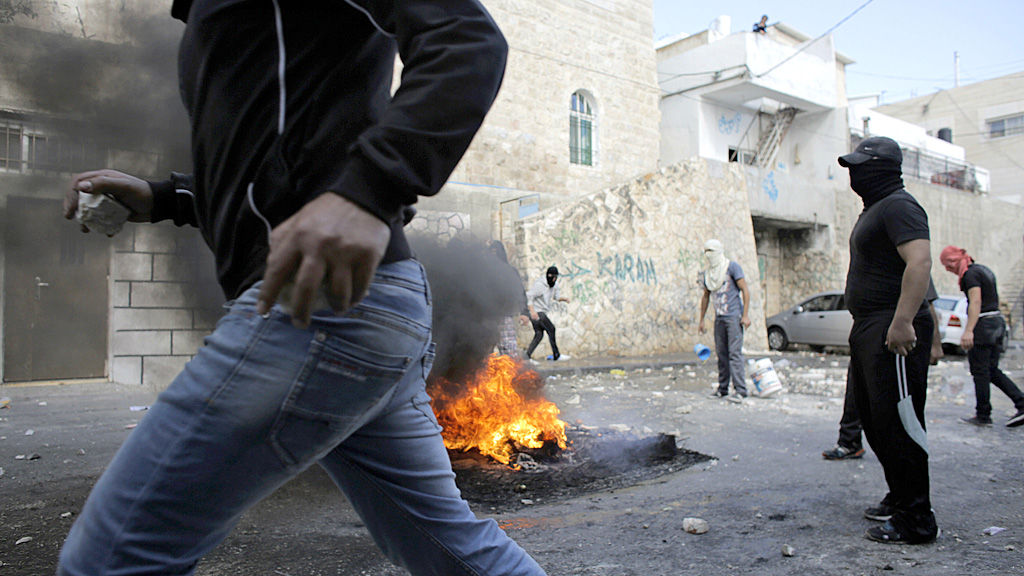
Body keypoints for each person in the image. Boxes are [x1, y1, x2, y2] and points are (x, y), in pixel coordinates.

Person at [57, 2, 547, 575]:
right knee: (449, 550)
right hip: (356, 315)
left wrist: (370, 189)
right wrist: (169, 197)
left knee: (109, 560)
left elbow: (467, 40)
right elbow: (275, 159)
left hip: (318, 314)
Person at [838, 135, 938, 544]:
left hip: (889, 326)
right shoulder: (876, 209)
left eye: (861, 166)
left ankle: (917, 519)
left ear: (881, 169)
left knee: (899, 421)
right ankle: (900, 497)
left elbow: (921, 261)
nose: (854, 174)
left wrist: (903, 321)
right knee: (876, 422)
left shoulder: (899, 205)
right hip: (869, 325)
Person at [823, 283, 945, 460]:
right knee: (856, 390)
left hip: (894, 336)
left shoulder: (908, 258)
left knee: (901, 402)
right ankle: (849, 441)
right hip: (868, 332)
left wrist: (935, 344)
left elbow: (928, 303)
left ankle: (908, 461)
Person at [939, 245, 1024, 427]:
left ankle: (983, 414)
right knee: (991, 370)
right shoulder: (982, 270)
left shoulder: (970, 275)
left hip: (984, 325)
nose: (947, 269)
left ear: (954, 260)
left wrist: (969, 330)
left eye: (947, 264)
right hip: (996, 323)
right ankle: (1021, 402)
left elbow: (975, 300)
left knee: (980, 371)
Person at [698, 239, 751, 402]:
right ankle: (723, 388)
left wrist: (745, 315)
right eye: (706, 251)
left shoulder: (731, 267)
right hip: (719, 318)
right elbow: (706, 296)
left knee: (734, 354)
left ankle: (741, 390)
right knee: (722, 354)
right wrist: (701, 319)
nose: (709, 255)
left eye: (711, 251)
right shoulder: (709, 274)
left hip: (733, 317)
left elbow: (745, 290)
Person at [489, 239, 529, 358]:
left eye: (496, 251)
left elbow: (520, 293)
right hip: (485, 319)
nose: (493, 255)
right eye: (491, 252)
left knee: (509, 354)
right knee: (484, 357)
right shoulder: (482, 272)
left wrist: (524, 312)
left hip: (504, 317)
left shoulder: (510, 271)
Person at [525, 266, 570, 361]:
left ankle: (526, 356)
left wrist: (564, 299)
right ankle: (556, 355)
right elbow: (529, 296)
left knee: (539, 334)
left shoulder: (555, 284)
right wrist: (532, 312)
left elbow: (556, 297)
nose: (552, 279)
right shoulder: (540, 285)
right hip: (537, 312)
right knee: (551, 329)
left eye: (554, 277)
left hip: (541, 312)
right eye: (550, 277)